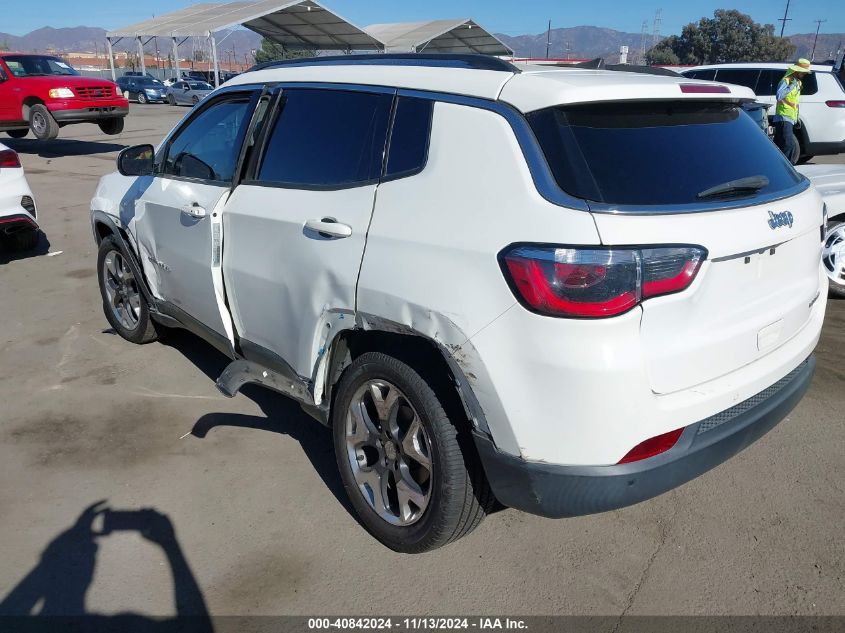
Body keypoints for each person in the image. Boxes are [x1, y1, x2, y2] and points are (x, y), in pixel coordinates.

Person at [771, 58, 812, 164]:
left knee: (781, 144)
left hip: (790, 117)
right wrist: (791, 86)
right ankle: (786, 168)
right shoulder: (787, 81)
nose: (804, 74)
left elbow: (795, 102)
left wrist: (796, 117)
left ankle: (778, 166)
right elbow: (779, 96)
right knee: (788, 144)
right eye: (802, 72)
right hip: (783, 116)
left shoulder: (798, 82)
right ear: (797, 71)